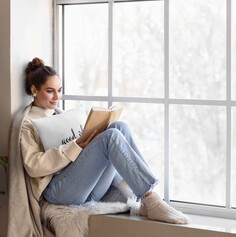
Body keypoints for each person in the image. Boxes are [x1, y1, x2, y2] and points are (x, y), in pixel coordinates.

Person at [21, 57, 189, 225]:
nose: (57, 96)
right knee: (110, 138)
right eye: (50, 91)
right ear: (34, 89)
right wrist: (75, 146)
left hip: (85, 188)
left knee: (119, 126)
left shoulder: (60, 114)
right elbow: (34, 166)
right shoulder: (28, 123)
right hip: (58, 192)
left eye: (59, 90)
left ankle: (147, 198)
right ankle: (152, 201)